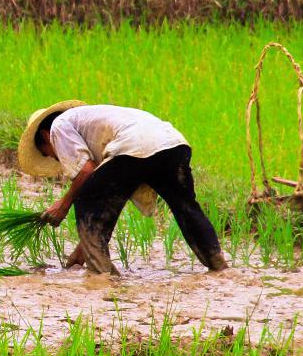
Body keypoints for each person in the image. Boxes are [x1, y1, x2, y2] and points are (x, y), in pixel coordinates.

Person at [18, 100, 229, 276]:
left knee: (85, 197)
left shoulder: (58, 127)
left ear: (45, 136)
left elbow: (86, 172)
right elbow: (111, 198)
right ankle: (219, 267)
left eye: (47, 153)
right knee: (186, 208)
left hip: (135, 146)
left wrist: (63, 205)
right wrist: (84, 248)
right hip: (173, 144)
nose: (55, 158)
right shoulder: (94, 120)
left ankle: (101, 277)